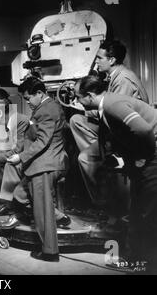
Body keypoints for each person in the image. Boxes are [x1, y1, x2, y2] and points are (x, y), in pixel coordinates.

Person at [74, 75, 157, 270]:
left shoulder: (112, 105)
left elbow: (144, 131)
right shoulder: (107, 104)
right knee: (138, 209)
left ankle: (146, 265)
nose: (77, 101)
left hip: (153, 157)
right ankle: (135, 259)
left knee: (146, 212)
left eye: (78, 97)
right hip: (149, 157)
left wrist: (141, 157)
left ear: (90, 95)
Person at [70, 40, 149, 206]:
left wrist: (112, 150)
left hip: (129, 136)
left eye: (99, 58)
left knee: (85, 158)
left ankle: (107, 205)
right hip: (120, 128)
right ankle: (101, 161)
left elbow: (116, 114)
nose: (96, 61)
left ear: (112, 60)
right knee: (76, 120)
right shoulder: (114, 76)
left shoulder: (124, 80)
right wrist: (80, 105)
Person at [2, 77, 70, 262]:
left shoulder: (47, 110)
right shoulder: (44, 108)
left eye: (28, 98)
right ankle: (59, 217)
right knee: (19, 194)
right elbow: (33, 139)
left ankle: (49, 252)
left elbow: (42, 141)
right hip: (39, 165)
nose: (27, 102)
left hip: (45, 165)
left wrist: (21, 157)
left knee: (42, 210)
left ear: (39, 93)